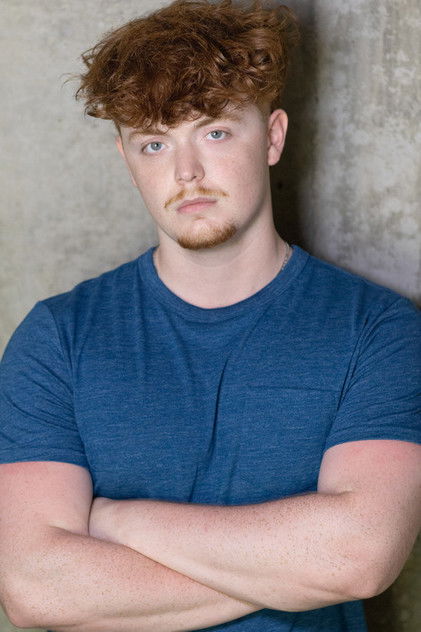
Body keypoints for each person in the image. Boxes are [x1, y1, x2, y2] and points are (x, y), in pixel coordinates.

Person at [0, 0, 420, 630]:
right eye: (154, 143)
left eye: (215, 132)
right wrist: (295, 567)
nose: (186, 172)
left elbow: (358, 557)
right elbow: (35, 588)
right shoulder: (58, 337)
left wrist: (119, 519)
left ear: (273, 137)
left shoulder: (378, 330)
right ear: (126, 160)